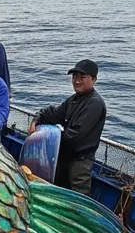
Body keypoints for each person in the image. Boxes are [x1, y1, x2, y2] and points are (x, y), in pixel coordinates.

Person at [29, 58, 106, 196]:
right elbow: (53, 114)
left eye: (82, 77)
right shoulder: (74, 100)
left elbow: (75, 136)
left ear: (94, 79)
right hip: (63, 158)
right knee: (58, 192)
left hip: (80, 163)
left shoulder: (94, 104)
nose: (77, 81)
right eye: (74, 76)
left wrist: (46, 138)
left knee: (77, 199)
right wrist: (36, 120)